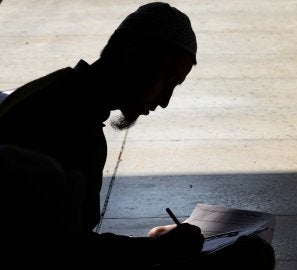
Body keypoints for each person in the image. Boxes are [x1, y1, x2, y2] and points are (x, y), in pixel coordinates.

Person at [0, 2, 275, 268]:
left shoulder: (55, 94)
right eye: (167, 80)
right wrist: (155, 250)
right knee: (251, 254)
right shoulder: (65, 126)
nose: (165, 100)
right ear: (131, 57)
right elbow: (58, 250)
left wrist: (151, 246)